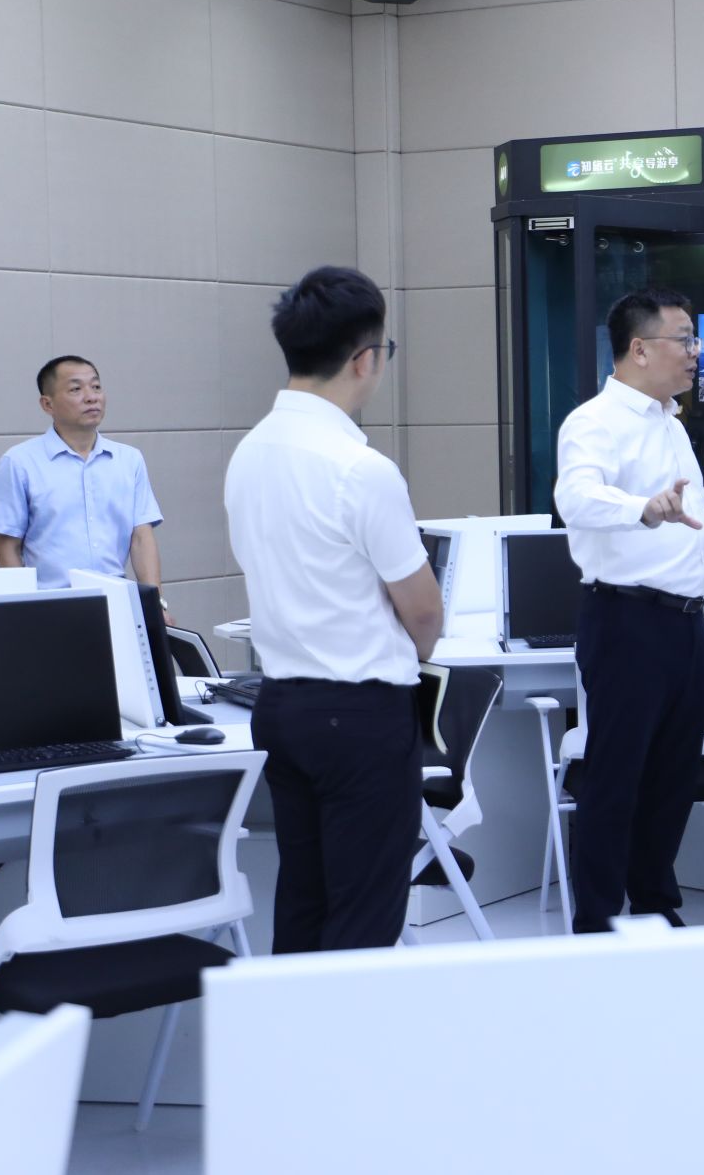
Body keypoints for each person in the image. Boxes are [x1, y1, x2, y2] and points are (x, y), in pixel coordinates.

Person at [224, 268, 445, 953]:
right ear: (364, 358)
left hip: (280, 706)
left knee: (304, 899)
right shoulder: (360, 468)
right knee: (364, 917)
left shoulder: (249, 452)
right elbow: (424, 613)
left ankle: (294, 1026)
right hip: (360, 715)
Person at [555, 287, 704, 933]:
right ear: (639, 349)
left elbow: (683, 516)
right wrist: (642, 508)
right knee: (616, 777)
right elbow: (575, 500)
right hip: (626, 621)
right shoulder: (594, 421)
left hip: (686, 621)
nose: (696, 352)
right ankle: (597, 920)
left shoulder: (672, 423)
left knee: (673, 775)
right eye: (685, 339)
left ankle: (654, 903)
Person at [0, 357, 169, 618]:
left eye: (96, 387)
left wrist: (156, 605)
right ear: (47, 404)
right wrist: (19, 612)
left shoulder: (129, 460)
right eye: (76, 389)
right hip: (49, 607)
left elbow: (141, 537)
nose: (91, 397)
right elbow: (8, 546)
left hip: (117, 603)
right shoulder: (19, 462)